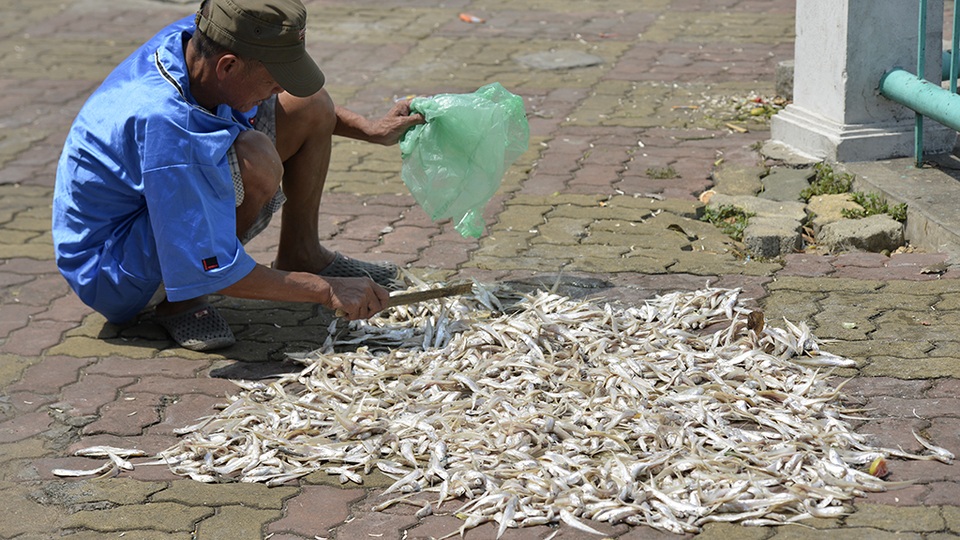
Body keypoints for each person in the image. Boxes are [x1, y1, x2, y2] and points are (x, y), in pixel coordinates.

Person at [51, 0, 425, 352]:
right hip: (112, 270)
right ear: (227, 66)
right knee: (254, 161)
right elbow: (212, 264)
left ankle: (302, 252)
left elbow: (282, 96)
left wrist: (370, 129)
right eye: (273, 78)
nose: (278, 87)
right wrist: (326, 290)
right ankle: (183, 298)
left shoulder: (201, 41)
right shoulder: (168, 124)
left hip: (156, 194)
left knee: (308, 103)